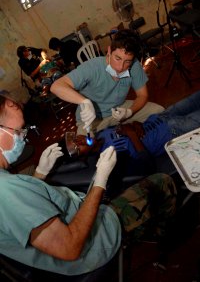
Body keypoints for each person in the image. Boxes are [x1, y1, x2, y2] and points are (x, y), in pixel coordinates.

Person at [0, 89, 177, 278]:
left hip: (78, 216)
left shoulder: (8, 185)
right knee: (163, 183)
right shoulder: (7, 191)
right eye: (18, 131)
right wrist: (100, 180)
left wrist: (39, 174)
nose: (23, 137)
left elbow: (25, 210)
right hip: (94, 243)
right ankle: (160, 244)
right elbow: (69, 248)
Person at [50, 29, 164, 137]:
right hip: (92, 118)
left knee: (159, 111)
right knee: (86, 147)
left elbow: (142, 95)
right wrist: (84, 101)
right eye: (117, 58)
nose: (120, 67)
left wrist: (129, 112)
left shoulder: (134, 66)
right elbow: (56, 86)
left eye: (127, 62)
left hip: (119, 110)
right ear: (109, 51)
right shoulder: (92, 67)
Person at [99, 91, 200, 164]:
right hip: (172, 132)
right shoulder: (108, 158)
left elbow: (124, 127)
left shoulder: (100, 133)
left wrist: (135, 124)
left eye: (82, 138)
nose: (82, 141)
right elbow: (147, 163)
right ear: (83, 159)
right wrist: (132, 134)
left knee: (196, 98)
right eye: (81, 149)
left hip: (161, 117)